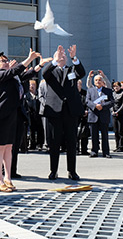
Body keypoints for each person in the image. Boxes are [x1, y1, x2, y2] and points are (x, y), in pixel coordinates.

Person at [0, 49, 40, 192]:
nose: (6, 62)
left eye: (6, 60)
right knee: (0, 148)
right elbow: (14, 71)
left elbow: (22, 74)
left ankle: (8, 178)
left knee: (9, 148)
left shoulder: (10, 77)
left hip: (12, 115)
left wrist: (39, 66)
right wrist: (29, 58)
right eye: (2, 61)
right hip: (0, 116)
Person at [42, 44, 85, 181]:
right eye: (59, 55)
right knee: (54, 143)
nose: (62, 57)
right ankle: (53, 171)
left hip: (70, 111)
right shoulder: (51, 71)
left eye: (64, 56)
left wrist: (74, 58)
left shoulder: (72, 69)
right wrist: (54, 61)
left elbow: (82, 73)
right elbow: (44, 73)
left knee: (71, 142)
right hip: (54, 111)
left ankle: (72, 171)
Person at [86, 74, 113, 158]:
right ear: (94, 82)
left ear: (102, 82)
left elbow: (112, 102)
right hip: (93, 115)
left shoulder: (108, 91)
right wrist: (95, 106)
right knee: (94, 135)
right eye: (96, 80)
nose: (98, 81)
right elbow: (87, 101)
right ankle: (94, 151)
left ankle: (106, 152)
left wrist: (102, 106)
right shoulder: (90, 90)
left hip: (103, 115)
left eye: (99, 80)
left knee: (105, 135)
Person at [26, 80, 44, 151]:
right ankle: (32, 144)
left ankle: (40, 144)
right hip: (30, 114)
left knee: (40, 129)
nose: (32, 86)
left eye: (33, 85)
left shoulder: (38, 94)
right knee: (31, 130)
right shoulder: (27, 95)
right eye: (30, 85)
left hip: (38, 114)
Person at [111, 81, 123, 152]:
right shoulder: (113, 93)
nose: (116, 88)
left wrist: (117, 112)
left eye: (117, 86)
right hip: (114, 113)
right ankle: (117, 146)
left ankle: (121, 146)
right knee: (115, 131)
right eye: (114, 87)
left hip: (121, 114)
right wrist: (112, 111)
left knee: (120, 130)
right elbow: (111, 103)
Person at [75, 79, 89, 155]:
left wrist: (86, 111)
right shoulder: (72, 93)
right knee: (75, 134)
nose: (78, 86)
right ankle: (76, 149)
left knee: (84, 134)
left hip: (84, 116)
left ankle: (84, 149)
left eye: (79, 84)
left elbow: (88, 103)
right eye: (76, 84)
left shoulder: (85, 93)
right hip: (75, 116)